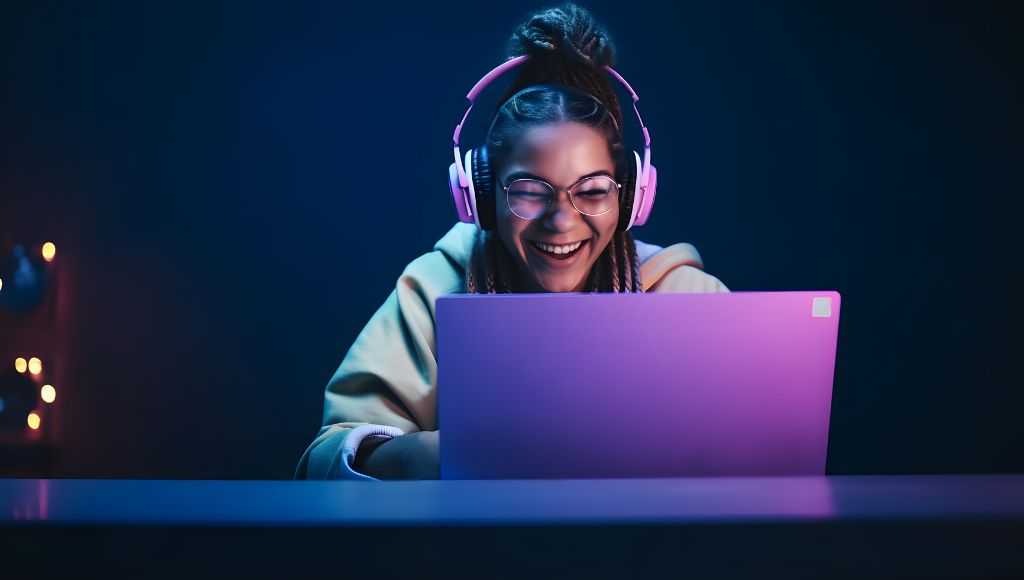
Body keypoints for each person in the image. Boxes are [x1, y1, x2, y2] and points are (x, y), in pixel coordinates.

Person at [294, 2, 729, 480]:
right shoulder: (434, 289)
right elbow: (328, 460)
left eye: (592, 190)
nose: (562, 221)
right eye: (527, 192)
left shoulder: (688, 298)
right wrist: (431, 456)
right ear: (480, 195)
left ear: (630, 197)